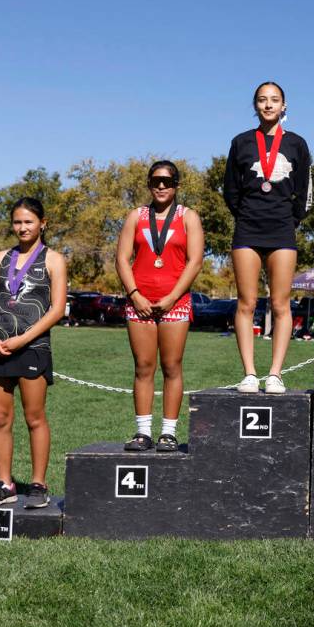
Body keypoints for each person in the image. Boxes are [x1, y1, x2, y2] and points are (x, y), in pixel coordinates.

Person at [0, 197, 67, 507]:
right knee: (0, 418)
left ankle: (38, 485)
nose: (22, 227)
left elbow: (57, 310)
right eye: (17, 222)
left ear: (43, 223)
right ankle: (4, 484)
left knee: (34, 417)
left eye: (29, 221)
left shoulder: (54, 260)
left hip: (32, 347)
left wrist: (23, 339)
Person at [224, 81, 312, 393]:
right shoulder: (241, 142)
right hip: (247, 228)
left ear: (284, 106)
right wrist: (247, 213)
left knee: (280, 303)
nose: (268, 105)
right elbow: (230, 190)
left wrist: (292, 218)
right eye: (262, 100)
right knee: (246, 302)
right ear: (255, 106)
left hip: (282, 229)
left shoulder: (297, 144)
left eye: (274, 100)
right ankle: (249, 373)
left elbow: (303, 191)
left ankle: (275, 373)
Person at [116, 161, 204, 451]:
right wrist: (135, 294)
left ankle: (168, 432)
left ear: (176, 185)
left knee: (171, 366)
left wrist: (171, 297)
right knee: (143, 367)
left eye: (167, 181)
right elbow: (121, 259)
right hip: (139, 301)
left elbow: (195, 262)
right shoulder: (136, 216)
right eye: (156, 181)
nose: (161, 186)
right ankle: (142, 432)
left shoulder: (188, 217)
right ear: (149, 184)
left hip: (174, 302)